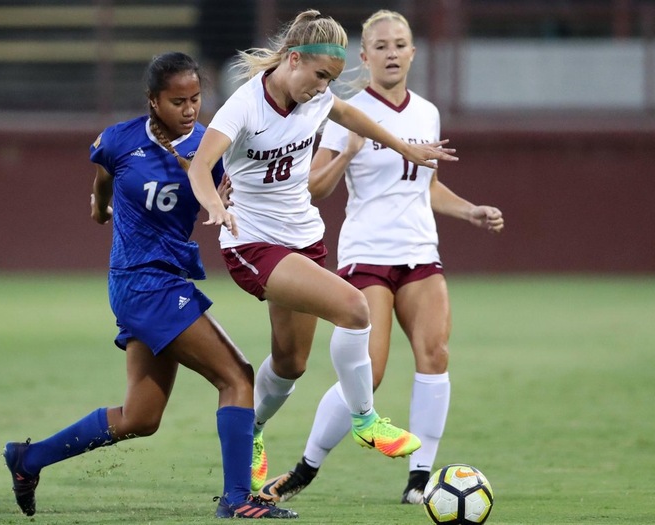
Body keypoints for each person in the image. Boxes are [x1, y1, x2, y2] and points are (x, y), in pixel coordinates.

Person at [1, 52, 297, 520]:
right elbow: (103, 181)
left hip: (164, 282)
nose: (189, 108)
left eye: (196, 98)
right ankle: (238, 500)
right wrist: (100, 210)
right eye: (177, 100)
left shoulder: (208, 147)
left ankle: (26, 459)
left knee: (141, 418)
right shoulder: (119, 140)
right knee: (237, 377)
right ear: (153, 101)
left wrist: (222, 199)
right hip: (143, 283)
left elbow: (225, 191)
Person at [184, 9, 460, 497]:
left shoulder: (316, 93)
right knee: (355, 310)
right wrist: (213, 207)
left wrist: (405, 149)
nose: (322, 89)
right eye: (318, 77)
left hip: (303, 239)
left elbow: (352, 114)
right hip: (253, 242)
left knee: (290, 363)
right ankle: (365, 420)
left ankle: (250, 430)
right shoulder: (244, 106)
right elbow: (201, 167)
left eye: (331, 80)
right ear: (293, 59)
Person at [257, 10, 504, 505]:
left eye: (401, 44)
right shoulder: (337, 109)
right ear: (363, 57)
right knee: (369, 372)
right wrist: (348, 152)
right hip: (366, 254)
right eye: (381, 46)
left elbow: (426, 186)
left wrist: (469, 211)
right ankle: (306, 468)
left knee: (435, 355)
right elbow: (314, 187)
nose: (392, 53)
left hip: (420, 252)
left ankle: (419, 481)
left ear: (413, 52)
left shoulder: (426, 113)